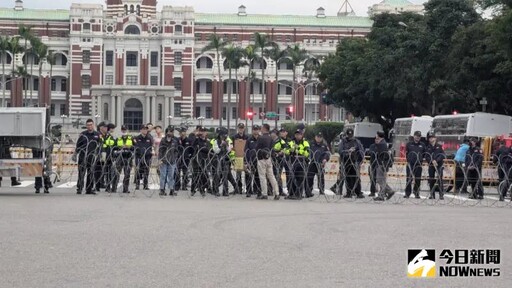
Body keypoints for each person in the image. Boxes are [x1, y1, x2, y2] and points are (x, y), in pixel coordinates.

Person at [74, 119, 101, 195]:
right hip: (83, 157)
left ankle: (89, 189)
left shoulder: (97, 135)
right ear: (86, 126)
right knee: (81, 173)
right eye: (88, 125)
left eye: (91, 125)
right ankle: (79, 188)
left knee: (91, 173)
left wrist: (99, 154)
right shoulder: (83, 135)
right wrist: (75, 154)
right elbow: (78, 145)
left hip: (92, 157)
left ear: (93, 125)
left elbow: (100, 145)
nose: (89, 126)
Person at [255, 124, 280, 200]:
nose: (260, 129)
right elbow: (272, 148)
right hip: (268, 158)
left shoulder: (261, 138)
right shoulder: (270, 138)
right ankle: (277, 193)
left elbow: (257, 148)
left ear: (264, 129)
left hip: (261, 158)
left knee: (262, 177)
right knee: (271, 176)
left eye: (261, 128)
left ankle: (265, 194)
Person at [339, 128, 364, 198]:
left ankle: (358, 193)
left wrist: (360, 160)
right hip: (346, 162)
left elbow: (361, 151)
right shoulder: (343, 142)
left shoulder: (356, 141)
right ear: (346, 135)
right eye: (348, 135)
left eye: (351, 135)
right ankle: (349, 192)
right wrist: (347, 152)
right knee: (348, 178)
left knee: (356, 178)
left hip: (355, 161)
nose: (350, 137)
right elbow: (340, 151)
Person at [372, 131, 395, 201]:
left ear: (378, 136)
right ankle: (381, 195)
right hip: (383, 164)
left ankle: (389, 191)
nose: (375, 136)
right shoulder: (384, 142)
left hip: (381, 164)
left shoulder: (381, 144)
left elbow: (381, 154)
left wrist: (382, 164)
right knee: (382, 180)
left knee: (379, 180)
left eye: (376, 135)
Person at [210, 127, 233, 197]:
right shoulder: (216, 141)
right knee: (217, 176)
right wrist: (221, 145)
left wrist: (226, 145)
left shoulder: (227, 141)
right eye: (222, 135)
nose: (224, 137)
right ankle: (216, 190)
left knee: (225, 176)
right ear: (220, 135)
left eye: (225, 135)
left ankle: (225, 191)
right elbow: (216, 150)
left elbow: (229, 150)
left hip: (225, 160)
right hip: (217, 160)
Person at [288, 129, 311, 199]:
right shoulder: (291, 142)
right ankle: (291, 194)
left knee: (300, 178)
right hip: (293, 162)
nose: (298, 136)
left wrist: (300, 152)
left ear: (302, 135)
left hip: (302, 162)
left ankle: (299, 194)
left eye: (299, 134)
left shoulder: (305, 142)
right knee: (292, 178)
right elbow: (287, 151)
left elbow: (307, 152)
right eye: (296, 134)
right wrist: (292, 150)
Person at [111, 125, 134, 193]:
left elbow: (135, 147)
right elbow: (114, 147)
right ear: (121, 130)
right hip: (119, 158)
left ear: (127, 131)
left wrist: (129, 147)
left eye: (125, 130)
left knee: (127, 174)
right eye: (123, 130)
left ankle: (125, 189)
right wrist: (119, 147)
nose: (124, 131)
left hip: (128, 157)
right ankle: (114, 188)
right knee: (116, 173)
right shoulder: (118, 138)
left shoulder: (131, 138)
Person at [307, 132, 330, 196]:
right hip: (312, 163)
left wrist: (325, 159)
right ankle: (309, 190)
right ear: (315, 137)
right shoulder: (311, 144)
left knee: (321, 177)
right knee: (310, 177)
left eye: (320, 137)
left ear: (322, 138)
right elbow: (307, 152)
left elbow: (327, 153)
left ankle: (321, 190)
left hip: (320, 163)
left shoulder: (324, 145)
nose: (319, 138)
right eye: (317, 137)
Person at [158, 126, 180, 196]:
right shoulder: (163, 140)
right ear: (166, 132)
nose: (170, 133)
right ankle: (162, 190)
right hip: (164, 161)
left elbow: (176, 151)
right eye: (169, 131)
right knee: (163, 175)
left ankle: (171, 190)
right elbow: (160, 150)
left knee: (171, 176)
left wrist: (175, 158)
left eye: (172, 132)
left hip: (172, 161)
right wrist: (161, 159)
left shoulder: (175, 141)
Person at [404, 131, 426, 199]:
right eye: (416, 136)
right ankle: (407, 193)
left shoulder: (422, 145)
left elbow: (424, 153)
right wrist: (408, 160)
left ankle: (416, 192)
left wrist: (421, 160)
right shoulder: (409, 144)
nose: (417, 137)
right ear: (414, 136)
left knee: (418, 179)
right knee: (409, 179)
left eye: (419, 136)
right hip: (410, 163)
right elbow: (406, 153)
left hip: (418, 164)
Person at [94, 122, 115, 192]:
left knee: (108, 172)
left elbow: (113, 144)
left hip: (108, 156)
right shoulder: (97, 135)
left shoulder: (109, 136)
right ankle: (97, 186)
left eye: (106, 127)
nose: (106, 129)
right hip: (99, 156)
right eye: (105, 127)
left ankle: (108, 187)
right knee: (98, 172)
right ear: (101, 128)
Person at [425, 132, 445, 200]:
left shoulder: (439, 146)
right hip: (431, 165)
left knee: (440, 180)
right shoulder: (427, 147)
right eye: (430, 138)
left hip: (439, 165)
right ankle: (432, 194)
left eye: (432, 137)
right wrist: (431, 161)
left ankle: (441, 195)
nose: (431, 139)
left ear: (435, 138)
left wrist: (437, 160)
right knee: (431, 179)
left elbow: (442, 155)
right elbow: (427, 156)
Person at [190, 126, 210, 196]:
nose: (202, 133)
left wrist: (201, 148)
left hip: (204, 160)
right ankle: (193, 190)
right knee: (195, 175)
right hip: (196, 160)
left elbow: (208, 150)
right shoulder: (196, 140)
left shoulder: (207, 141)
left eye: (204, 131)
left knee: (202, 175)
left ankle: (202, 190)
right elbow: (192, 147)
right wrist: (196, 137)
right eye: (201, 131)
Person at [134, 125, 154, 190]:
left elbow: (151, 147)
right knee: (138, 171)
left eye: (146, 129)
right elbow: (136, 147)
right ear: (141, 130)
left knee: (146, 171)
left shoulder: (149, 138)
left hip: (147, 157)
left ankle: (145, 185)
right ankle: (137, 185)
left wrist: (151, 153)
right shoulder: (137, 138)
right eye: (143, 129)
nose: (145, 130)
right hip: (139, 156)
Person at [244, 125, 261, 197]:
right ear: (252, 131)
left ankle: (257, 190)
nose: (255, 131)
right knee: (248, 176)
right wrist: (246, 162)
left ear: (259, 130)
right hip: (250, 160)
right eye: (254, 129)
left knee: (258, 176)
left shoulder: (261, 139)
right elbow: (246, 151)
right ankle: (248, 191)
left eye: (256, 129)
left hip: (259, 161)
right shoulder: (249, 139)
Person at [270, 129, 288, 197]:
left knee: (278, 175)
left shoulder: (281, 141)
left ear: (276, 134)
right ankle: (271, 190)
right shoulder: (270, 140)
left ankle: (280, 191)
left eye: (273, 133)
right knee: (271, 175)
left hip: (279, 160)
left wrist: (280, 153)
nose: (272, 134)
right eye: (271, 133)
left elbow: (286, 148)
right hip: (271, 159)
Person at [232, 123, 248, 194]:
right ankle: (239, 188)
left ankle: (248, 189)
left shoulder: (247, 137)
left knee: (247, 173)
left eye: (242, 128)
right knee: (238, 174)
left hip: (245, 157)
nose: (241, 129)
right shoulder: (234, 137)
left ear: (244, 128)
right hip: (238, 157)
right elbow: (232, 147)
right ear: (237, 128)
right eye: (239, 128)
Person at [175, 127, 193, 191]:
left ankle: (184, 186)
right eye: (181, 132)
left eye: (184, 132)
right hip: (178, 158)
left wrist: (189, 156)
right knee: (177, 172)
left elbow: (191, 149)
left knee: (185, 172)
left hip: (186, 158)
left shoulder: (189, 140)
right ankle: (177, 186)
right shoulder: (177, 140)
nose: (182, 133)